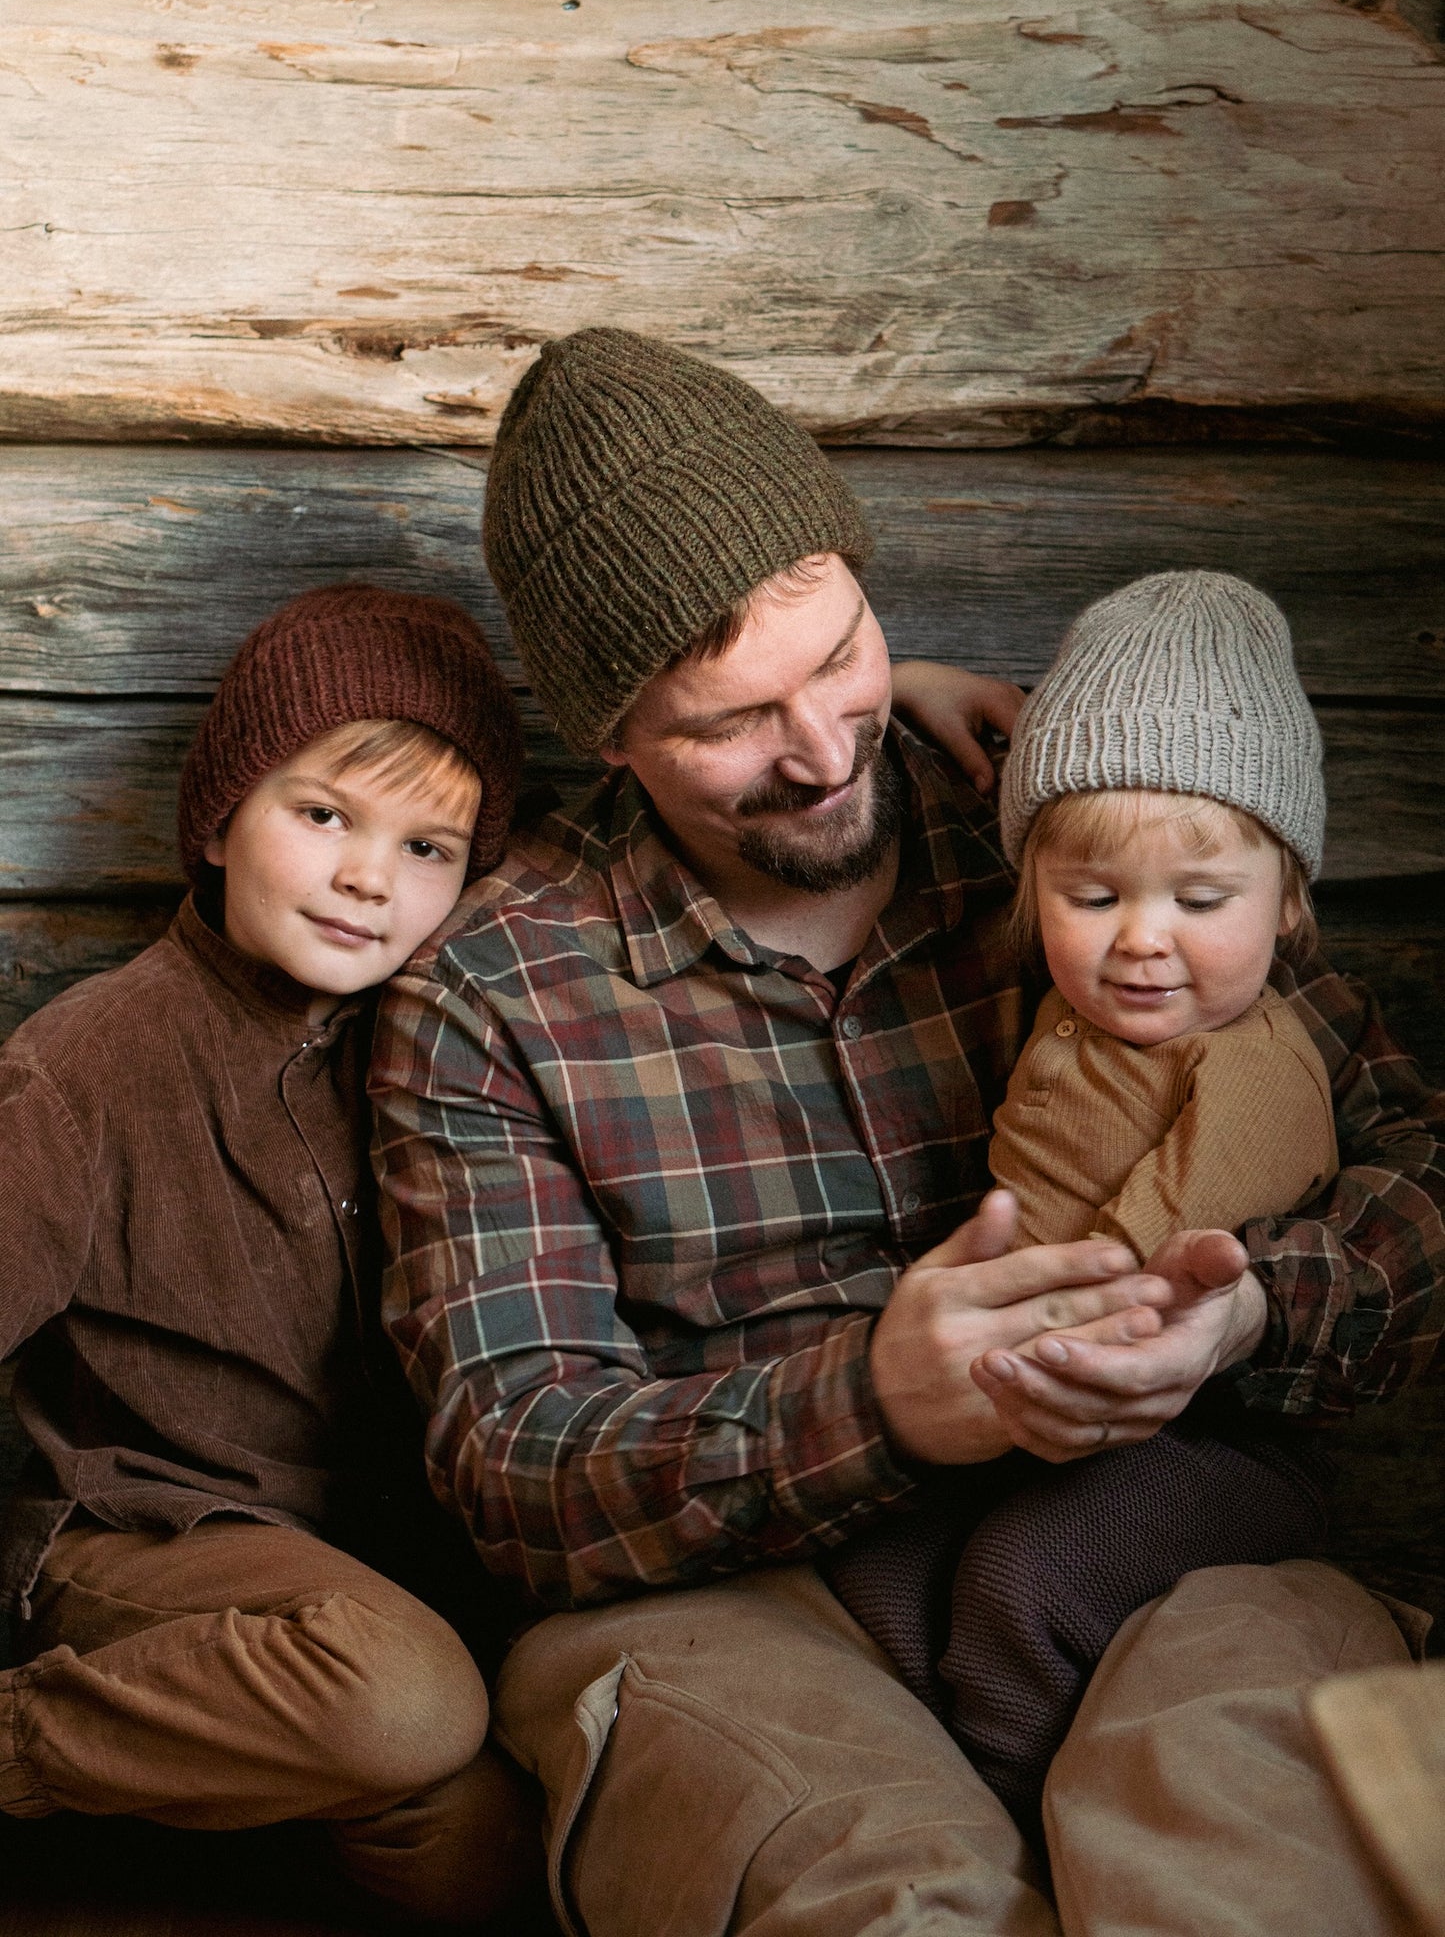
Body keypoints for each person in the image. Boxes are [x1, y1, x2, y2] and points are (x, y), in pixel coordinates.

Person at [371, 327, 1445, 1936]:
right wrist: (871, 1403)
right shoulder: (494, 990)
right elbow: (513, 1461)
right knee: (886, 1895)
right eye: (731, 721)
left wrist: (1246, 1314)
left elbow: (1413, 1171)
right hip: (735, 1606)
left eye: (841, 654)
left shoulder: (1074, 828)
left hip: (1162, 1545)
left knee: (1242, 1852)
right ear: (605, 736)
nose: (819, 751)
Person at [0, 585, 543, 1927]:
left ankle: (206, 1843)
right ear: (222, 816)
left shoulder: (441, 1046)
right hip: (133, 1546)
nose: (372, 878)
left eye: (430, 848)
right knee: (405, 1699)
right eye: (323, 816)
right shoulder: (89, 1065)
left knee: (495, 1840)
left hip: (350, 1589)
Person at [826, 569, 1341, 1842]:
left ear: (1288, 904)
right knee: (878, 1577)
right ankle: (941, 1829)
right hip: (1028, 1398)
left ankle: (1025, 1829)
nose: (1140, 941)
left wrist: (1068, 1320)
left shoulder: (1252, 1063)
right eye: (1092, 896)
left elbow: (1150, 1258)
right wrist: (891, 686)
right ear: (1030, 889)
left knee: (1024, 1580)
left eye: (1199, 901)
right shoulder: (1069, 1015)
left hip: (1203, 1436)